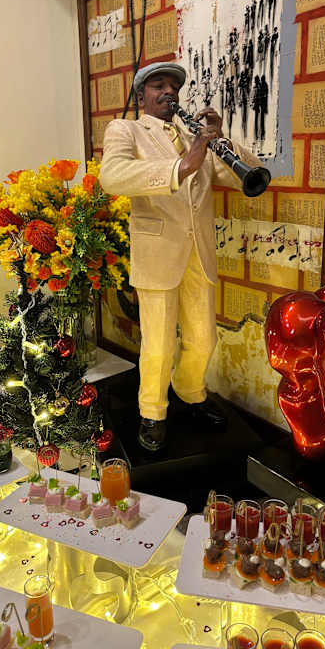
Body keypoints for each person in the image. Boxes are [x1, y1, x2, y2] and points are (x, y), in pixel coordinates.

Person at [100, 62, 265, 451]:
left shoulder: (196, 137)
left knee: (203, 338)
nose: (168, 92)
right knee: (158, 344)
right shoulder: (126, 130)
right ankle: (152, 411)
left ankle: (190, 391)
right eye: (158, 85)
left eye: (173, 87)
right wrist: (181, 165)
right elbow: (112, 175)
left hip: (199, 254)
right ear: (141, 96)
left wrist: (219, 139)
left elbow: (248, 173)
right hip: (158, 254)